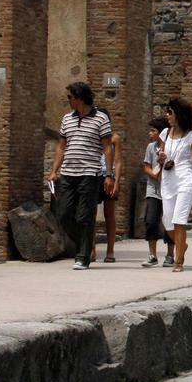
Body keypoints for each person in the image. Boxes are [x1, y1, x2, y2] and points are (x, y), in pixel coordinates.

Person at [47, 82, 113, 270]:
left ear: (80, 98)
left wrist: (108, 175)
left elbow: (107, 148)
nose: (67, 100)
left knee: (85, 215)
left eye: (70, 97)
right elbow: (61, 146)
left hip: (90, 174)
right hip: (68, 173)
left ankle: (83, 256)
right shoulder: (67, 119)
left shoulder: (101, 118)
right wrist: (54, 171)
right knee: (63, 214)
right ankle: (84, 243)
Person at [159, 97, 192, 272]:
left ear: (178, 115)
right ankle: (182, 245)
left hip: (186, 182)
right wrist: (161, 158)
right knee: (167, 223)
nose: (167, 115)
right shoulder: (164, 134)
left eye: (170, 113)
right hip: (167, 182)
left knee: (179, 221)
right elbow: (162, 155)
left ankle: (178, 261)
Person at [141, 118, 175, 268]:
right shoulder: (151, 147)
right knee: (150, 220)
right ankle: (152, 255)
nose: (150, 134)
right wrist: (154, 174)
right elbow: (146, 166)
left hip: (168, 190)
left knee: (169, 221)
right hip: (153, 189)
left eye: (153, 131)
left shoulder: (172, 147)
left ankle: (170, 255)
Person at [90, 131, 124, 263]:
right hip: (94, 176)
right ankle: (91, 249)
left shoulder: (114, 138)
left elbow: (118, 161)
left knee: (109, 215)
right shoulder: (93, 136)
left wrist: (116, 181)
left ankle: (110, 251)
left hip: (109, 176)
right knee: (90, 214)